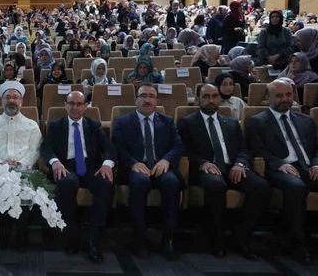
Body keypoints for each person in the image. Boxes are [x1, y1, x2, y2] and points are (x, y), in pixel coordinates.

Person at [178, 84, 270, 259]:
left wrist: (241, 164)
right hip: (207, 169)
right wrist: (202, 163)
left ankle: (241, 236)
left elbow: (244, 149)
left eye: (214, 96)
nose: (211, 100)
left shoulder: (232, 123)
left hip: (233, 167)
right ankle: (217, 238)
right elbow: (184, 150)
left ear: (220, 99)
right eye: (206, 96)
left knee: (261, 187)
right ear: (198, 99)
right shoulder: (187, 122)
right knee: (216, 186)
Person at [245, 79, 317, 265]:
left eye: (288, 95)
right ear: (268, 97)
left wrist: (316, 164)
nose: (285, 99)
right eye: (279, 95)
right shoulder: (257, 122)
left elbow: (316, 149)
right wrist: (278, 164)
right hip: (279, 168)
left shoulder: (306, 120)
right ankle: (297, 243)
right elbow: (257, 150)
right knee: (296, 187)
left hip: (308, 167)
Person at [42, 91, 116, 263]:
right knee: (65, 183)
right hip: (66, 167)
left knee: (105, 184)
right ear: (65, 105)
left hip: (91, 168)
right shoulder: (55, 125)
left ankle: (93, 238)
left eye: (79, 104)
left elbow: (110, 148)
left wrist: (107, 164)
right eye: (71, 103)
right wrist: (54, 162)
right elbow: (46, 148)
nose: (75, 107)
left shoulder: (94, 125)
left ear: (85, 106)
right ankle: (72, 235)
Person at [112, 84, 183, 260]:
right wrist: (132, 163)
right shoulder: (122, 122)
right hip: (137, 166)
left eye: (151, 96)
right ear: (136, 99)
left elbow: (178, 145)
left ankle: (168, 239)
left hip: (161, 165)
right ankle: (139, 239)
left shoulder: (167, 121)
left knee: (172, 183)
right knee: (139, 182)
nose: (147, 99)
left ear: (157, 100)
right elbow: (117, 148)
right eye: (143, 95)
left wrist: (166, 160)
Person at [0, 81, 41, 248]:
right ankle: (0, 235)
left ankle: (21, 236)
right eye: (7, 97)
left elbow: (35, 151)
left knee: (24, 192)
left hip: (23, 172)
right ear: (2, 101)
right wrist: (0, 163)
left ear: (21, 101)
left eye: (15, 97)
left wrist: (20, 164)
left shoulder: (32, 125)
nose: (11, 100)